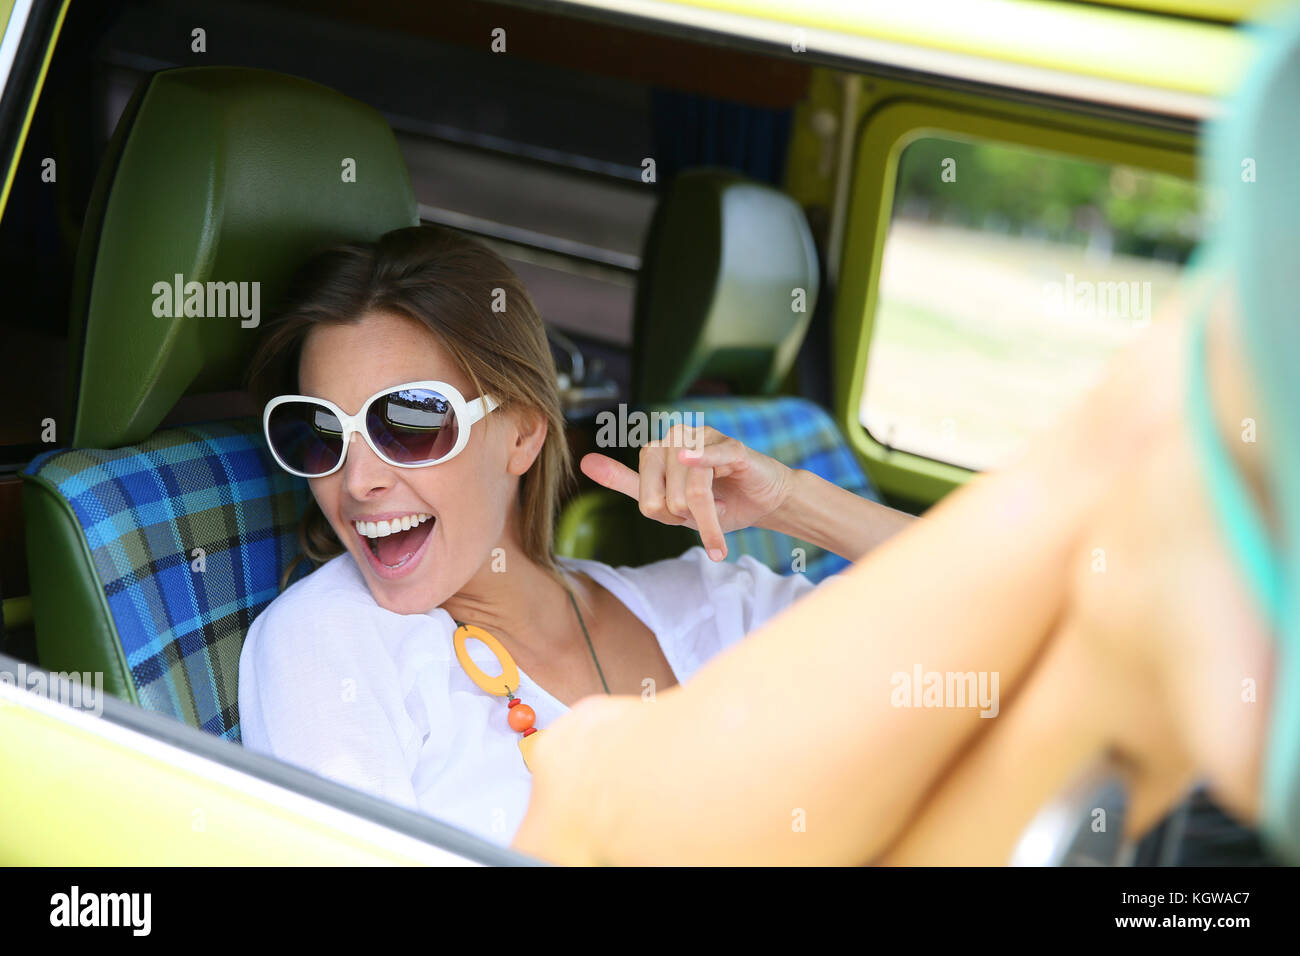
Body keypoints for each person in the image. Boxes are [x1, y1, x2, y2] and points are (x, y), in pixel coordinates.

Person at [510, 10, 1300, 866]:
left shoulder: (779, 485)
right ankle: (1166, 445)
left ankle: (1162, 449)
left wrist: (795, 501)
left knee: (588, 793)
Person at [236, 225, 912, 846]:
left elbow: (984, 623)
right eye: (319, 432)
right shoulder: (331, 641)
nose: (357, 481)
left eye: (410, 422)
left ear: (524, 433)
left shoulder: (710, 607)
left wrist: (791, 501)